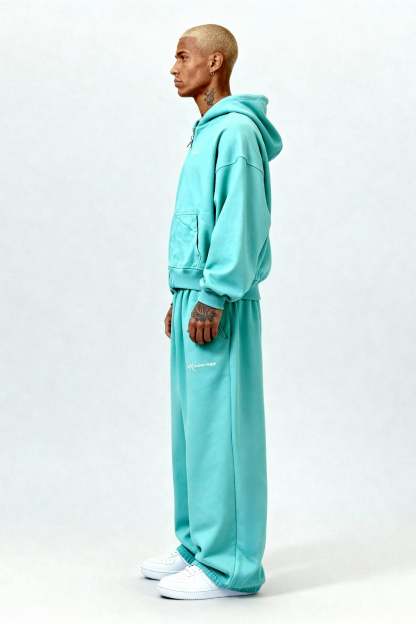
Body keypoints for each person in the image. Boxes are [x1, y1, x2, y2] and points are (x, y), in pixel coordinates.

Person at [140, 23, 283, 600]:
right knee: (193, 431)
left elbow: (241, 220)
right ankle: (199, 544)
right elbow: (199, 221)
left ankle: (230, 566)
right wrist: (182, 291)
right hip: (194, 298)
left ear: (215, 62)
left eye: (183, 56)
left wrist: (214, 293)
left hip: (217, 302)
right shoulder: (205, 134)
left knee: (222, 430)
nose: (174, 68)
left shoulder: (237, 133)